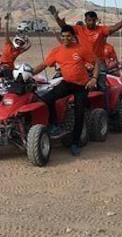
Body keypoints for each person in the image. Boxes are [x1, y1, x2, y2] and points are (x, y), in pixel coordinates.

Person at [31, 25, 99, 157]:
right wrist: (28, 73)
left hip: (82, 86)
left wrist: (94, 78)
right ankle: (54, 125)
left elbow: (97, 62)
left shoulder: (81, 49)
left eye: (68, 36)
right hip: (67, 83)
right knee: (46, 98)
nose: (66, 38)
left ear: (73, 37)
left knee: (79, 115)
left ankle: (74, 143)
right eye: (63, 36)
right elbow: (43, 65)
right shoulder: (57, 51)